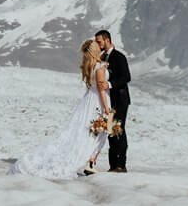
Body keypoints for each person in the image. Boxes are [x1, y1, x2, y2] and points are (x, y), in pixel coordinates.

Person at [9, 34, 114, 179]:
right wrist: (107, 109)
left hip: (88, 100)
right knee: (99, 133)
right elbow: (102, 90)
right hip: (97, 101)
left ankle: (91, 163)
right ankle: (90, 161)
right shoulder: (100, 68)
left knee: (89, 132)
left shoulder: (89, 67)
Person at [99, 28, 131, 172]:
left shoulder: (119, 56)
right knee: (110, 131)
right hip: (109, 101)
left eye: (99, 41)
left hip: (120, 99)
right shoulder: (102, 57)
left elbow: (126, 77)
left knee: (119, 130)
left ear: (107, 40)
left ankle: (121, 164)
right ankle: (113, 165)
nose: (98, 44)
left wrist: (110, 85)